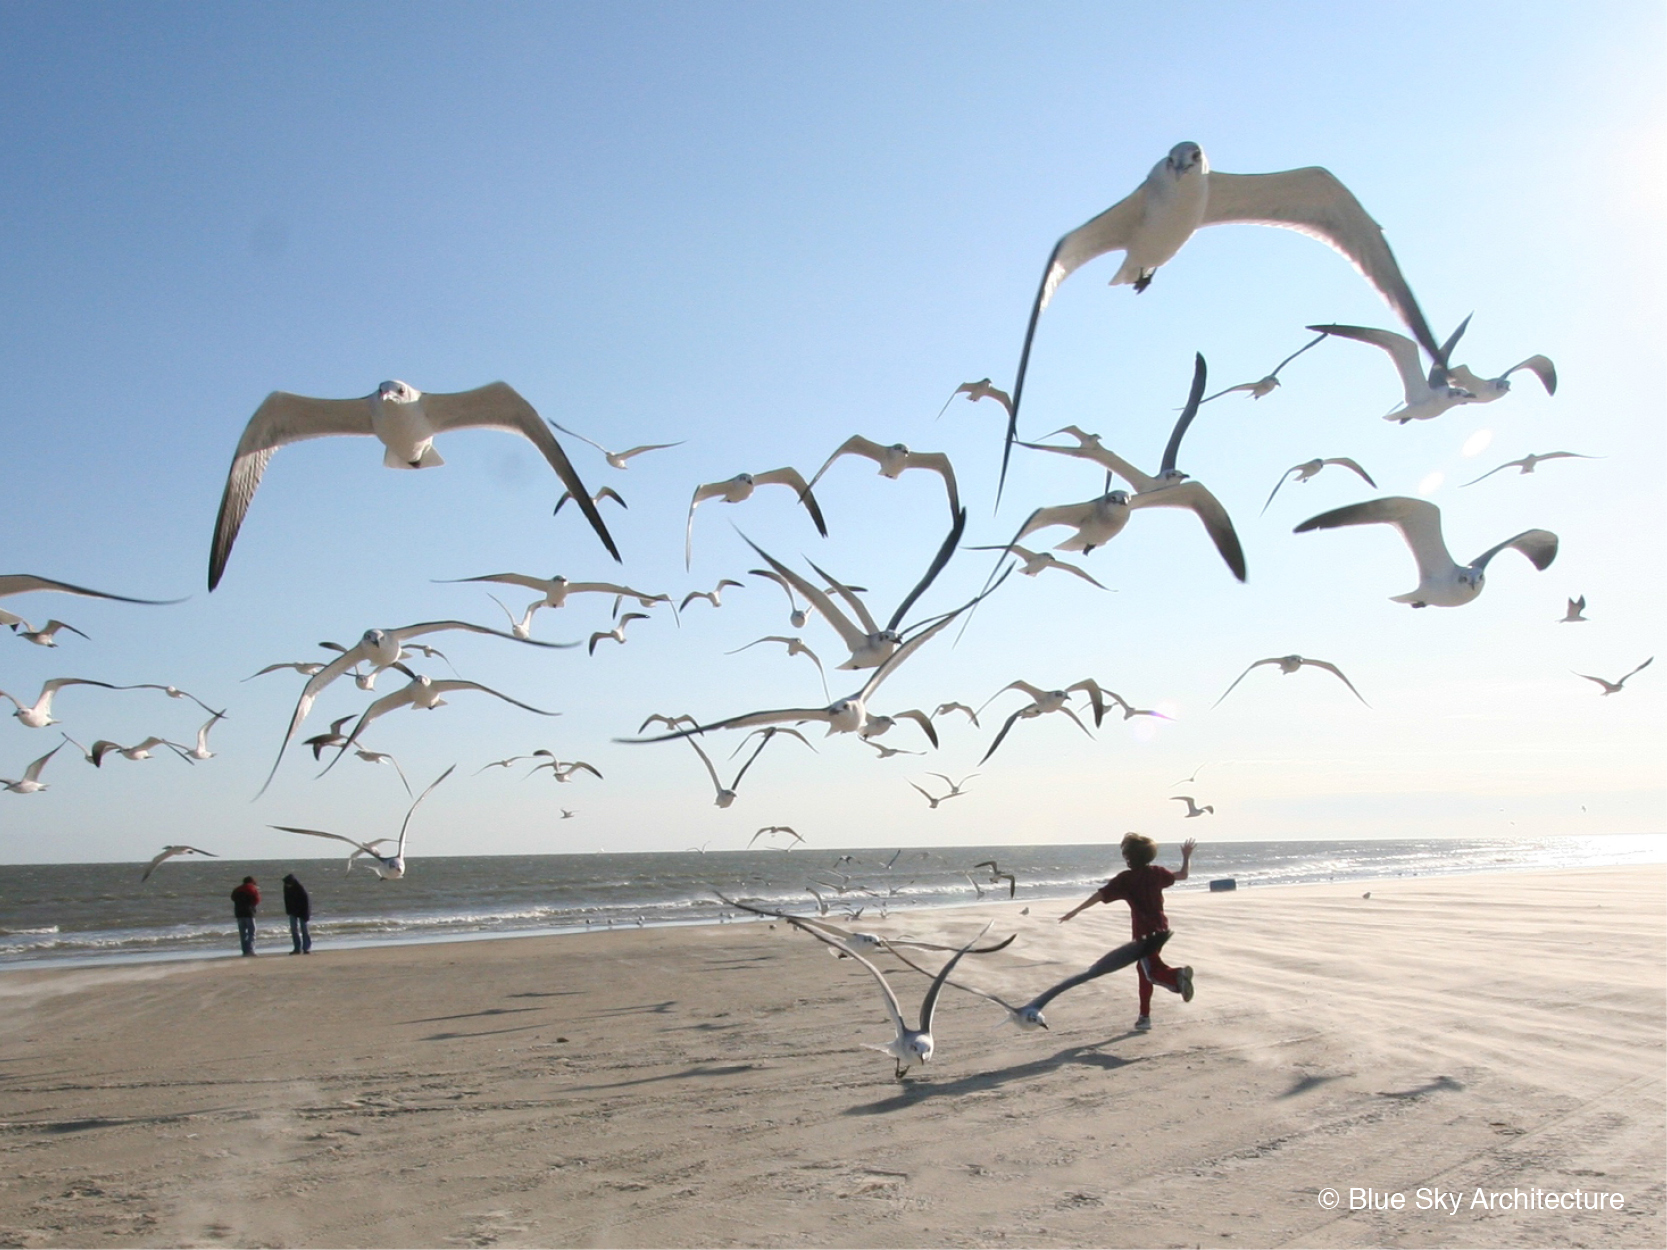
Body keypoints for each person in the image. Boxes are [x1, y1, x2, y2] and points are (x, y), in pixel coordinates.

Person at [1060, 834, 1195, 1030]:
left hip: (1144, 934)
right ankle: (1144, 1016)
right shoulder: (1157, 873)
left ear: (1128, 856)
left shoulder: (1126, 879)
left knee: (1152, 973)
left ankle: (1177, 976)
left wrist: (1076, 910)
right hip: (1161, 928)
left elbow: (1099, 895)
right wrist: (1186, 856)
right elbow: (1183, 875)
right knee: (1144, 971)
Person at [283, 873, 312, 955]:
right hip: (292, 911)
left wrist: (306, 915)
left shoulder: (300, 889)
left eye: (288, 884)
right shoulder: (286, 887)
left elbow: (306, 902)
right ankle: (297, 948)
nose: (287, 885)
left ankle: (306, 948)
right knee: (293, 930)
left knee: (304, 929)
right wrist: (288, 911)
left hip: (302, 911)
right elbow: (286, 899)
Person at [231, 876, 260, 956]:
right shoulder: (252, 889)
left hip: (239, 913)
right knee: (251, 932)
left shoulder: (237, 889)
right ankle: (251, 950)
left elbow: (232, 898)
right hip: (249, 913)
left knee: (243, 934)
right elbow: (257, 900)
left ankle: (245, 951)